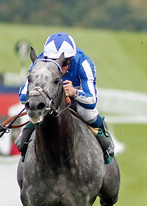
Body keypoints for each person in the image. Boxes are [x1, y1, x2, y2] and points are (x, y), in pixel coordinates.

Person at [17, 32, 114, 162]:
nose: (59, 67)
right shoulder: (39, 63)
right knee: (30, 121)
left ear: (71, 59)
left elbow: (92, 101)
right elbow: (23, 97)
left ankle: (105, 139)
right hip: (50, 101)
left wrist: (75, 93)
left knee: (88, 114)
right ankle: (25, 149)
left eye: (64, 63)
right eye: (53, 62)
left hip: (76, 101)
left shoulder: (84, 63)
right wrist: (37, 94)